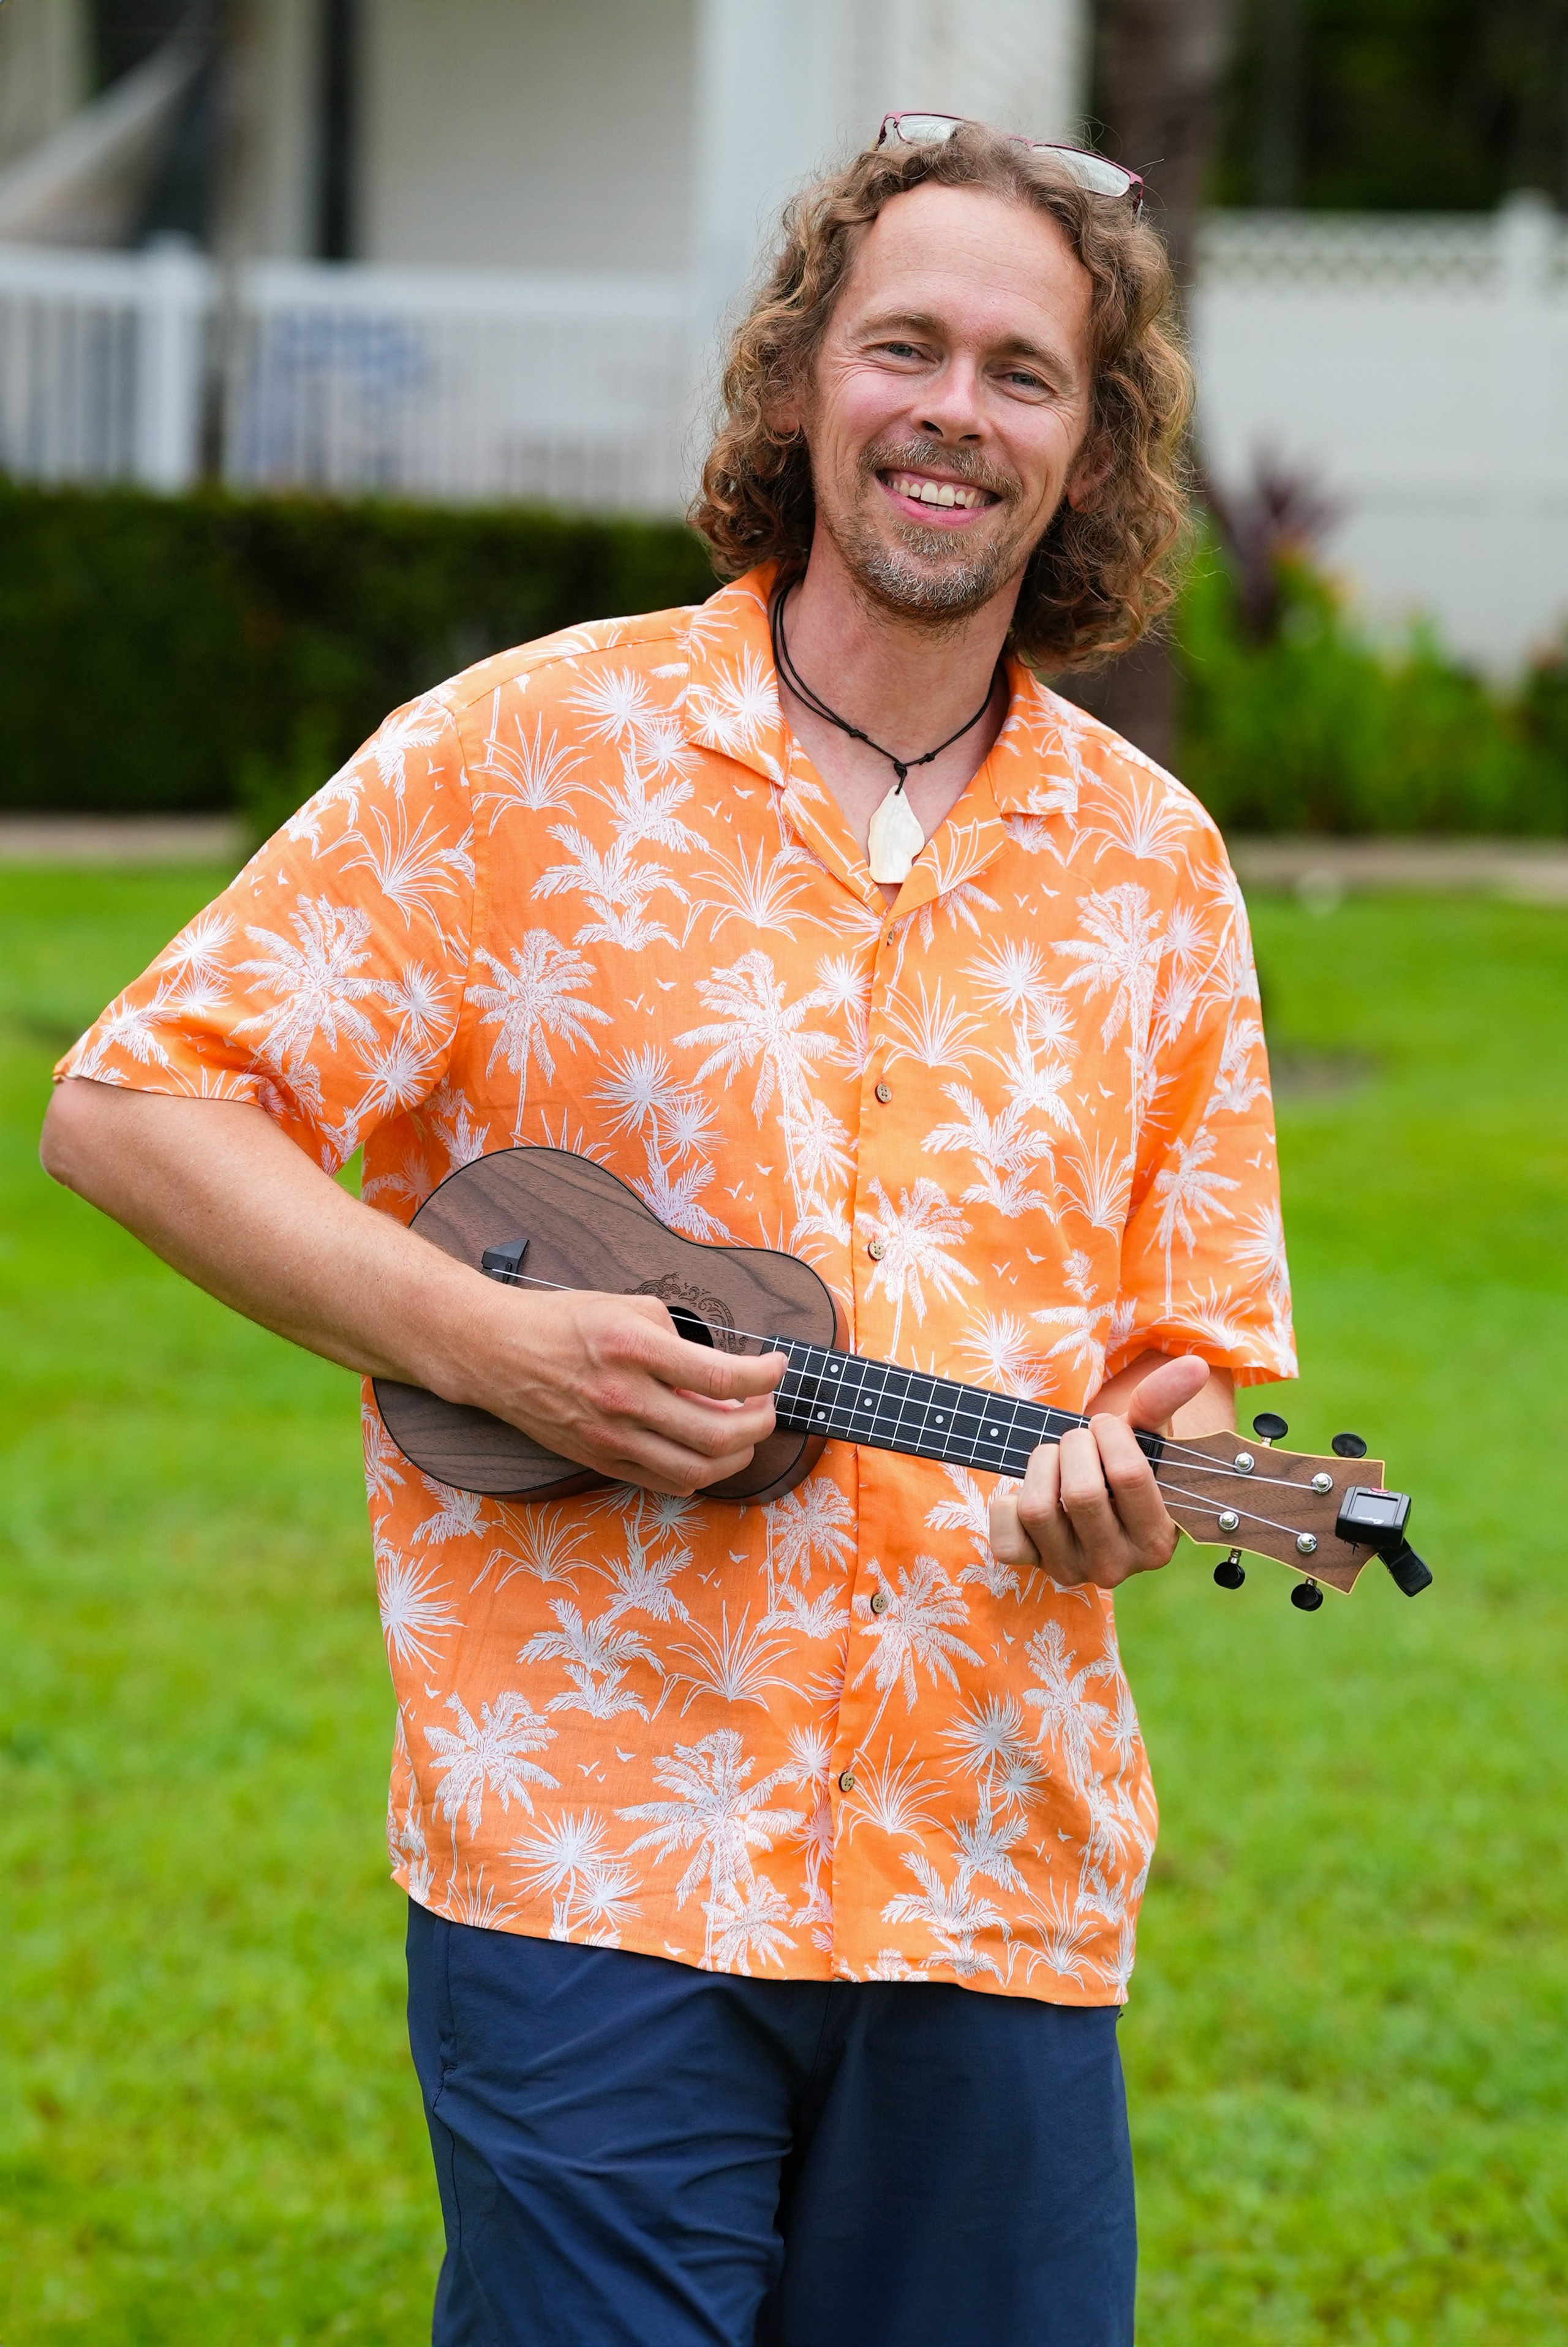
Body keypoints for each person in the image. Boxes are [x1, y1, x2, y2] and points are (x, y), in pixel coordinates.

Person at [43, 116, 1294, 2347]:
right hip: (591, 1854)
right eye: (904, 344)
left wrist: (1134, 1469)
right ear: (804, 380)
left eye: (1026, 372)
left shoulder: (1159, 875)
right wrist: (481, 1339)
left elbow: (1171, 1352)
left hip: (985, 1872)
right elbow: (134, 1106)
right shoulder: (529, 756)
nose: (954, 411)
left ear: (1090, 448)